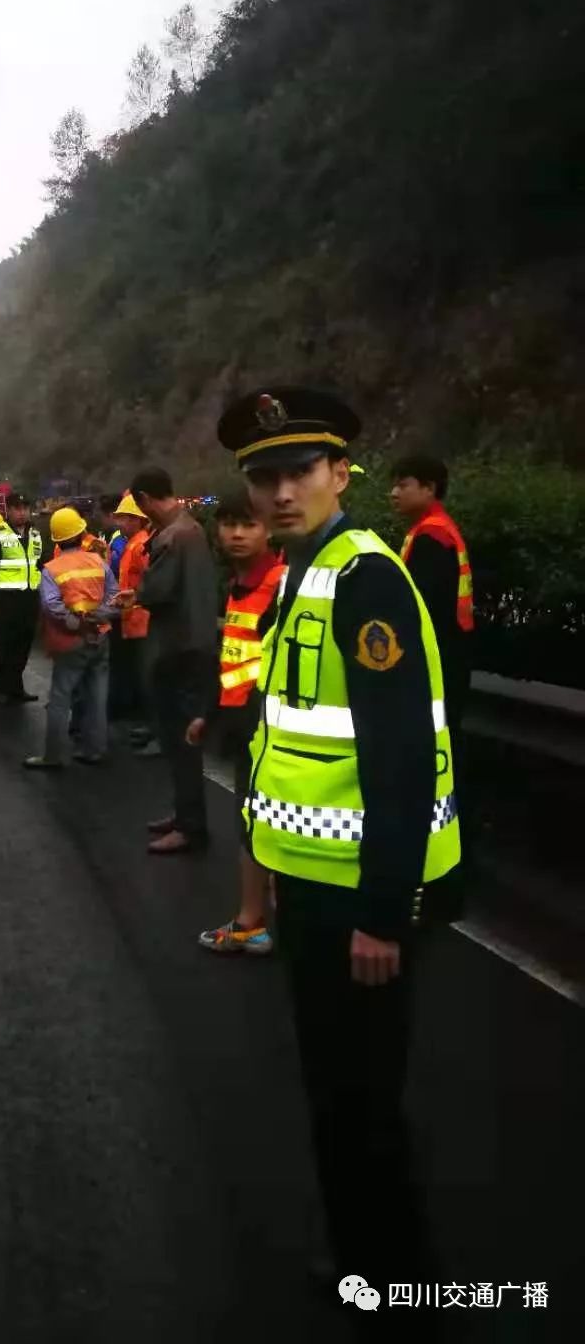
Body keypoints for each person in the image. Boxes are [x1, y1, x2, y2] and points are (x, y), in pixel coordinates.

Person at [217, 387, 462, 1293]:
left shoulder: (363, 578)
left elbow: (399, 762)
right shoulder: (306, 572)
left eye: (299, 472)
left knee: (361, 1106)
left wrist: (383, 917)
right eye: (264, 477)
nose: (281, 493)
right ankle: (365, 1259)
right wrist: (277, 870)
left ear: (338, 474)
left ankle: (397, 1288)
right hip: (314, 888)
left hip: (362, 903)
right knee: (333, 1093)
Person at [194, 490, 286, 956]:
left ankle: (252, 922)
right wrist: (208, 714)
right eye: (228, 523)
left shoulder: (281, 586)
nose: (235, 533)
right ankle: (265, 909)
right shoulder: (239, 585)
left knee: (256, 822)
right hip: (243, 723)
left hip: (272, 729)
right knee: (256, 821)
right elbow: (232, 658)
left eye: (248, 524)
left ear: (269, 528)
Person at [127, 468, 219, 854]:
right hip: (193, 644)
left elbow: (156, 590)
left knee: (181, 743)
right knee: (181, 743)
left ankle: (190, 826)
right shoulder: (190, 529)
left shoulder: (171, 537)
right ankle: (183, 814)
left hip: (179, 649)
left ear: (146, 499)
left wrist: (139, 590)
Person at [24, 506, 119, 769]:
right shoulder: (99, 562)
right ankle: (95, 750)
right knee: (97, 695)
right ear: (81, 533)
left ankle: (52, 756)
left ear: (56, 539)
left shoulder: (51, 569)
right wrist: (99, 617)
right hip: (100, 637)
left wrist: (76, 622)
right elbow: (115, 596)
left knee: (60, 698)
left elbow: (51, 606)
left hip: (70, 641)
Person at [390, 455, 474, 740]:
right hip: (447, 652)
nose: (394, 493)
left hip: (437, 657)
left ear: (429, 488)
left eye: (403, 486)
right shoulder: (434, 528)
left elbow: (420, 606)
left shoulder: (433, 536)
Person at [0, 492, 43, 704]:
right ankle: (4, 690)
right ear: (8, 510)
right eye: (17, 508)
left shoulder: (35, 534)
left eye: (25, 508)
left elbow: (39, 565)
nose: (22, 512)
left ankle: (16, 687)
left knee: (24, 645)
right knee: (6, 645)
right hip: (6, 598)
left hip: (29, 598)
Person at [108, 493, 153, 742]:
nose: (119, 523)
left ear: (137, 520)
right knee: (138, 674)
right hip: (131, 619)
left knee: (147, 676)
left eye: (124, 518)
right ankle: (143, 722)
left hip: (142, 621)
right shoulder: (131, 544)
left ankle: (151, 726)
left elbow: (151, 581)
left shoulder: (141, 546)